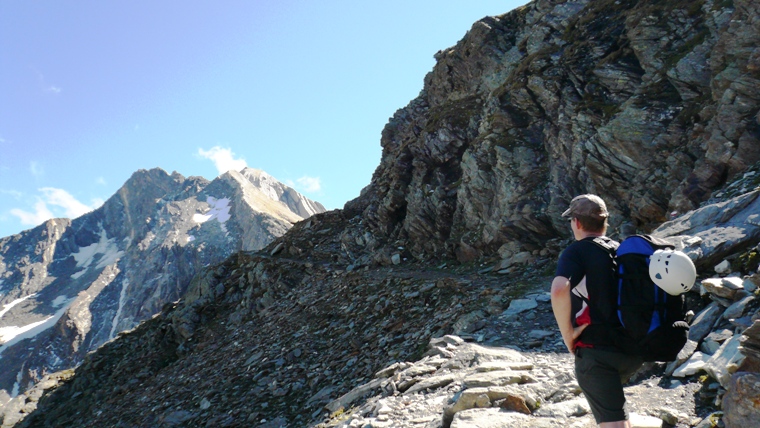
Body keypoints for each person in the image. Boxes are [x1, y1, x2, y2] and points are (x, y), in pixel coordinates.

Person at [550, 194, 643, 428]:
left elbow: (559, 289)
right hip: (632, 349)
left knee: (613, 424)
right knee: (616, 413)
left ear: (577, 222)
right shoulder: (621, 250)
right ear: (605, 223)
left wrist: (568, 335)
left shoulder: (577, 251)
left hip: (597, 351)